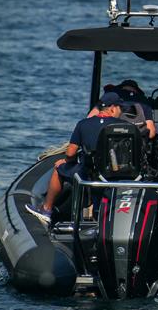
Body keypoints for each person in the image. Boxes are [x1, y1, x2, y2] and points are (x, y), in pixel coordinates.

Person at [26, 92, 125, 224]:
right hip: (114, 175)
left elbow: (71, 152)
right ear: (112, 108)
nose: (122, 111)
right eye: (121, 108)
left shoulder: (83, 124)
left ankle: (46, 209)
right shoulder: (123, 126)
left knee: (58, 169)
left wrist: (66, 161)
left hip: (88, 173)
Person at [88, 80, 156, 140]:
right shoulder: (144, 101)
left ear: (121, 88)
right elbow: (151, 133)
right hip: (135, 147)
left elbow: (89, 118)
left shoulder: (111, 96)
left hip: (109, 141)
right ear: (136, 91)